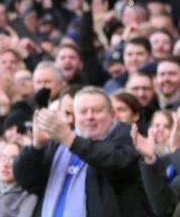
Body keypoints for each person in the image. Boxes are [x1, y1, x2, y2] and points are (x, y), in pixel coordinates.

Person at [14, 86, 150, 217]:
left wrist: (69, 139)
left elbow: (118, 163)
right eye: (83, 111)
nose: (90, 116)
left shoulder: (128, 135)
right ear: (75, 116)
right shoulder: (58, 143)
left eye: (97, 110)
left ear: (112, 114)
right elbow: (27, 181)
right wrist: (37, 146)